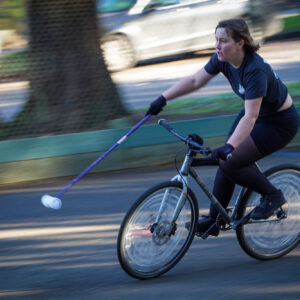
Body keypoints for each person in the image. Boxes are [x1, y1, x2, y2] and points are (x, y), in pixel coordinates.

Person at [145, 18, 299, 237]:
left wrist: (229, 147)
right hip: (255, 115)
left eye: (223, 40)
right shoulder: (222, 59)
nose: (217, 45)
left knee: (230, 160)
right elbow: (195, 81)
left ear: (241, 42)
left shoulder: (255, 70)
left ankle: (273, 196)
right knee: (226, 159)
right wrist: (163, 98)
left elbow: (251, 116)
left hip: (279, 122)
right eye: (216, 39)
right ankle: (215, 220)